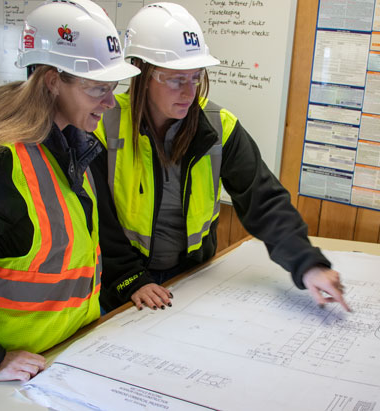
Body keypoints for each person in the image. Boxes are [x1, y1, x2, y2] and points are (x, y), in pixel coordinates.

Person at [0, 0, 139, 388]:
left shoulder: (73, 144)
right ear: (52, 81)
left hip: (62, 353)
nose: (110, 101)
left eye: (112, 87)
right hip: (7, 371)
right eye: (97, 88)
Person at [91, 2, 350, 314]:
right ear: (142, 73)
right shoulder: (103, 125)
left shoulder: (218, 126)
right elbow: (97, 220)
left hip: (191, 277)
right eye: (176, 79)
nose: (190, 91)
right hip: (122, 286)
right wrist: (130, 278)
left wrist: (307, 264)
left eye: (196, 77)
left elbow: (263, 200)